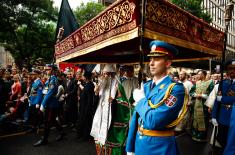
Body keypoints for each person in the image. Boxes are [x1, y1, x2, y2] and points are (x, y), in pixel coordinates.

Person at [126, 40, 187, 155]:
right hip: (140, 145)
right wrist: (130, 147)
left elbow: (153, 121)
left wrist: (141, 100)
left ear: (168, 63)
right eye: (150, 59)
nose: (151, 63)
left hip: (159, 147)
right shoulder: (146, 85)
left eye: (157, 59)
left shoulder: (175, 89)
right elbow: (136, 117)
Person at [105, 65, 138, 155]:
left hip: (131, 109)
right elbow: (119, 96)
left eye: (130, 70)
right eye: (127, 70)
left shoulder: (137, 81)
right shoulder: (123, 82)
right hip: (120, 110)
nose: (128, 72)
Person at [33, 64, 64, 147]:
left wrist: (43, 104)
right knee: (52, 120)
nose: (46, 70)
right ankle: (62, 132)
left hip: (51, 104)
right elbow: (44, 91)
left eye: (48, 69)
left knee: (47, 121)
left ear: (53, 70)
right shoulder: (49, 79)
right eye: (46, 69)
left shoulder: (53, 80)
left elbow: (49, 93)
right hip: (49, 103)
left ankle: (44, 139)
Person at [90, 64, 118, 154]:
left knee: (108, 132)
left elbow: (118, 98)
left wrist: (113, 100)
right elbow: (98, 95)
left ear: (111, 74)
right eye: (104, 74)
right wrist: (96, 91)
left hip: (111, 111)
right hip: (100, 110)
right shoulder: (103, 82)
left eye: (106, 74)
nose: (104, 76)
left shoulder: (116, 82)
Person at [190, 70, 214, 142]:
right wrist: (195, 95)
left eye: (199, 74)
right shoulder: (197, 83)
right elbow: (191, 92)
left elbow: (212, 95)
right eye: (197, 74)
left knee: (203, 120)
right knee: (195, 119)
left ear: (204, 75)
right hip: (196, 104)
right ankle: (195, 135)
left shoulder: (210, 83)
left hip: (204, 106)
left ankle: (201, 137)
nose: (197, 76)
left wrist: (203, 96)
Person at [217, 59, 235, 155]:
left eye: (234, 69)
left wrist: (223, 99)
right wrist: (214, 116)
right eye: (229, 69)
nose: (232, 71)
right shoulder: (223, 82)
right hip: (223, 115)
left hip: (233, 116)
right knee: (221, 138)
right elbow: (217, 100)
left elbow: (221, 99)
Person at [77, 71, 95, 141]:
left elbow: (89, 98)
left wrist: (88, 108)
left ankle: (86, 136)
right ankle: (82, 135)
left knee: (86, 122)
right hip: (83, 106)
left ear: (86, 77)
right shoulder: (87, 84)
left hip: (86, 107)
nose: (83, 77)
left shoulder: (90, 85)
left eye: (83, 76)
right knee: (83, 121)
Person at [28, 69, 44, 133]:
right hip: (32, 101)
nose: (32, 75)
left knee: (36, 115)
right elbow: (32, 92)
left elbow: (39, 93)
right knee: (33, 115)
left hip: (36, 101)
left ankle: (37, 127)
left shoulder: (39, 82)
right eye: (31, 74)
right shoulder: (34, 82)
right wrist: (30, 99)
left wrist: (37, 103)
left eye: (33, 74)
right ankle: (34, 127)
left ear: (37, 75)